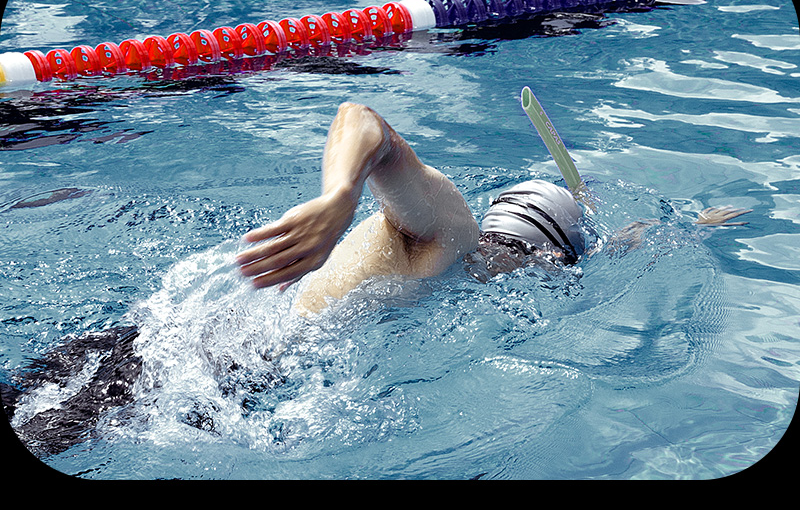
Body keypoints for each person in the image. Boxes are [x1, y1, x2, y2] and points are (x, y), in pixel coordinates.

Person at [236, 102, 751, 314]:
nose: (533, 271)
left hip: (224, 361)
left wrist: (685, 227)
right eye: (540, 261)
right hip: (223, 369)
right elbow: (362, 119)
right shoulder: (448, 231)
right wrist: (339, 197)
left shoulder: (456, 260)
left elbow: (614, 251)